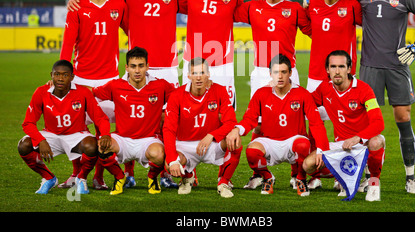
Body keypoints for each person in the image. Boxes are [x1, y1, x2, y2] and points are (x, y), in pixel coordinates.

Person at [67, 0, 181, 188]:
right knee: (127, 119)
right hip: (136, 67)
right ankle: (124, 174)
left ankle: (168, 171)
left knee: (167, 121)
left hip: (168, 67)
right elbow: (103, 1)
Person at [350, 0, 415, 193]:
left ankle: (410, 177)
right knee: (365, 123)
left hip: (397, 67)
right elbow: (342, 11)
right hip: (370, 66)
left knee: (403, 119)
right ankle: (368, 176)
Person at [233, 0, 312, 189]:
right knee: (257, 126)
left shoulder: (294, 8)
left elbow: (312, 29)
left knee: (296, 123)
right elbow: (230, 8)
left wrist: (312, 6)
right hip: (260, 71)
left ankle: (297, 174)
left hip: (289, 72)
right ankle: (260, 173)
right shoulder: (252, 8)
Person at [59, 0, 128, 190]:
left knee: (104, 132)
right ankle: (76, 175)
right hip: (81, 81)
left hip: (109, 81)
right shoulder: (77, 7)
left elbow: (133, 33)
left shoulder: (118, 6)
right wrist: (62, 75)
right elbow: (67, 45)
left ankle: (98, 177)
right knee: (76, 131)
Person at [226, 54, 330, 196]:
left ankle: (300, 178)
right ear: (270, 74)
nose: (279, 76)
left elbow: (316, 123)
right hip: (269, 140)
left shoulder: (302, 94)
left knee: (303, 145)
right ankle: (268, 177)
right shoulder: (261, 93)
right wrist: (237, 129)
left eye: (283, 72)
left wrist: (322, 149)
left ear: (290, 73)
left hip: (294, 140)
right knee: (251, 152)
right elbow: (250, 119)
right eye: (276, 72)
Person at [17, 60, 121, 195]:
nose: (60, 78)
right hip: (51, 135)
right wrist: (40, 140)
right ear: (51, 75)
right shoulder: (41, 92)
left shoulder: (83, 92)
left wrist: (105, 134)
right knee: (23, 145)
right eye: (57, 74)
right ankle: (48, 178)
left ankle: (81, 178)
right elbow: (28, 123)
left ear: (72, 77)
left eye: (65, 75)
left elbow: (100, 118)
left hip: (77, 135)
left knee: (93, 146)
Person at [303, 0, 362, 190]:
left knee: (345, 126)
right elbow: (308, 28)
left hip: (343, 76)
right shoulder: (313, 5)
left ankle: (344, 172)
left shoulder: (351, 6)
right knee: (313, 125)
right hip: (316, 75)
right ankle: (314, 174)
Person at [303, 50, 385, 201]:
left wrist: (358, 138)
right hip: (341, 146)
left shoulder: (364, 89)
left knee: (376, 141)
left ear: (349, 69)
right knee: (308, 165)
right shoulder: (324, 88)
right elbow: (305, 101)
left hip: (362, 143)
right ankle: (346, 173)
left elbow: (379, 123)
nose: (337, 71)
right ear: (327, 70)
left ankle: (374, 182)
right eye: (333, 67)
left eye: (341, 66)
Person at [91, 47, 175, 195]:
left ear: (147, 67)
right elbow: (92, 92)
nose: (137, 70)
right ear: (127, 67)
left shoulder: (160, 85)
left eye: (141, 66)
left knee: (160, 154)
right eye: (133, 66)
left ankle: (152, 178)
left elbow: (181, 97)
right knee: (101, 147)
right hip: (122, 138)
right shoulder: (116, 85)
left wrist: (204, 86)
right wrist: (67, 86)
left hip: (148, 140)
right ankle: (119, 177)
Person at [162, 57, 242, 198]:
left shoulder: (220, 91)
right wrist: (173, 160)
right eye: (194, 73)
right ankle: (187, 177)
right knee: (168, 163)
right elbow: (168, 129)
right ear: (188, 76)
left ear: (208, 74)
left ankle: (223, 182)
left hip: (211, 144)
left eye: (202, 72)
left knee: (235, 141)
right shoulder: (176, 95)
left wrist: (211, 135)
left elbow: (231, 121)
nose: (198, 77)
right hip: (185, 145)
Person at [178, 0, 244, 108]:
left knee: (225, 113)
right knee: (189, 110)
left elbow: (244, 13)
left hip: (222, 64)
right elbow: (169, 1)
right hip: (193, 62)